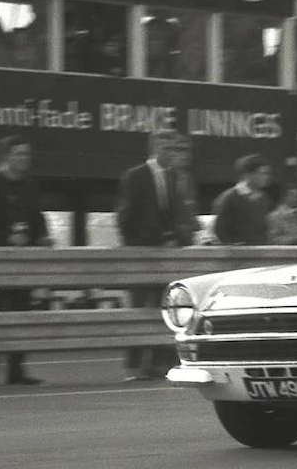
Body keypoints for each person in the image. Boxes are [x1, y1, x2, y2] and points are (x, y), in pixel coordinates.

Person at [0, 135, 53, 386]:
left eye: (27, 154)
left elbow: (38, 219)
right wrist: (6, 237)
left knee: (21, 314)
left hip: (23, 264)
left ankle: (16, 369)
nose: (25, 159)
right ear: (5, 157)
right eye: (19, 154)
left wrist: (43, 238)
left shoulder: (31, 186)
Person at [117, 130, 197, 381]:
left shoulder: (173, 178)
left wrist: (178, 239)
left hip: (167, 253)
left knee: (167, 307)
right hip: (142, 253)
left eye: (175, 149)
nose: (172, 153)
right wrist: (137, 247)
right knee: (140, 309)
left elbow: (175, 215)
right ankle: (135, 365)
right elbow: (125, 217)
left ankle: (163, 363)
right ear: (154, 148)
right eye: (167, 148)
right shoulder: (135, 176)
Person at [211, 154, 274, 245]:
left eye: (268, 174)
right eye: (262, 173)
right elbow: (220, 229)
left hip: (260, 253)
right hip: (237, 255)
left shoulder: (263, 198)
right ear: (248, 175)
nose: (267, 177)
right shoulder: (229, 198)